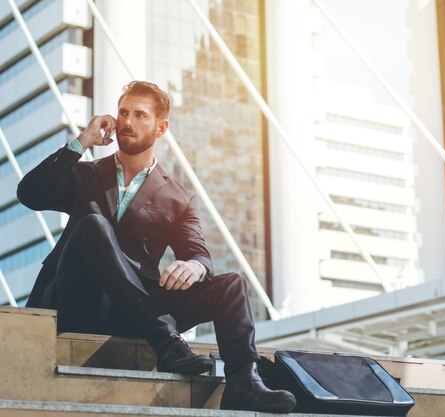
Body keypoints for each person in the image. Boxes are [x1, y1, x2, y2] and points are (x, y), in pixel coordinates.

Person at [17, 81, 296, 413]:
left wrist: (195, 266)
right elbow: (30, 194)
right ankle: (166, 340)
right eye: (123, 112)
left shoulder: (177, 197)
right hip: (79, 301)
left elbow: (198, 253)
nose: (127, 122)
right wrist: (82, 141)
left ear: (161, 127)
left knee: (231, 283)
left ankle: (244, 382)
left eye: (139, 115)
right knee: (92, 224)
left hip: (133, 314)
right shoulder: (86, 173)